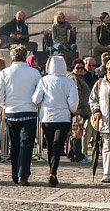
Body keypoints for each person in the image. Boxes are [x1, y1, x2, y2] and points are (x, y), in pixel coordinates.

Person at [0, 45, 41, 186]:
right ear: (25, 56)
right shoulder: (34, 73)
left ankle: (14, 174)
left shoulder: (5, 73)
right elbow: (39, 94)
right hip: (29, 112)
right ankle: (23, 175)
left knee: (13, 145)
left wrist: (5, 105)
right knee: (26, 145)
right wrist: (34, 103)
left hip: (11, 112)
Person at [32, 56, 78, 187]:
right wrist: (71, 110)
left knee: (51, 145)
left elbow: (36, 98)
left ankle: (52, 170)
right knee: (58, 145)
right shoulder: (69, 82)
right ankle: (53, 171)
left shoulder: (44, 81)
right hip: (63, 117)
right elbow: (73, 101)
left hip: (47, 117)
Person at [66, 58, 92, 163]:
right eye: (78, 68)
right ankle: (77, 155)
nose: (80, 70)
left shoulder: (81, 78)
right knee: (77, 132)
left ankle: (72, 154)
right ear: (73, 68)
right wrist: (78, 107)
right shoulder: (74, 78)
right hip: (78, 110)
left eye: (82, 68)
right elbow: (77, 94)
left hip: (81, 109)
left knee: (76, 132)